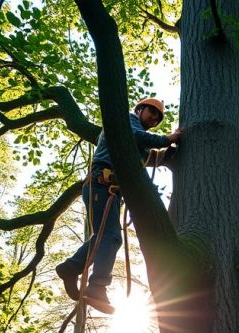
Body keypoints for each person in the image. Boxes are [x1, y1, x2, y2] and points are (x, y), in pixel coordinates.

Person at [55, 98, 183, 313]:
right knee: (111, 237)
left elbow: (147, 158)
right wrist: (165, 138)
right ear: (140, 109)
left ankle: (71, 267)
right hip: (101, 183)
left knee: (104, 236)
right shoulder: (126, 122)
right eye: (152, 113)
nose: (154, 119)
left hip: (108, 189)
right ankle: (96, 286)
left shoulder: (135, 143)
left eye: (158, 118)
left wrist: (167, 153)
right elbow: (136, 137)